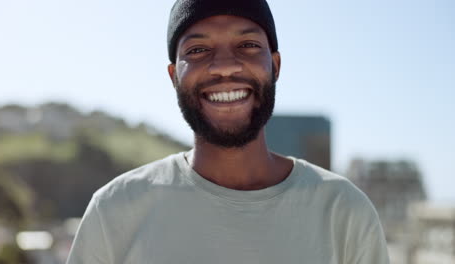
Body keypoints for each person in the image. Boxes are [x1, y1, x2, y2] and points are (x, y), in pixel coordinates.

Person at [66, 0, 390, 263]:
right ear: (173, 76)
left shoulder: (344, 211)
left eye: (247, 44)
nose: (224, 66)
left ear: (275, 66)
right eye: (197, 50)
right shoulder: (114, 210)